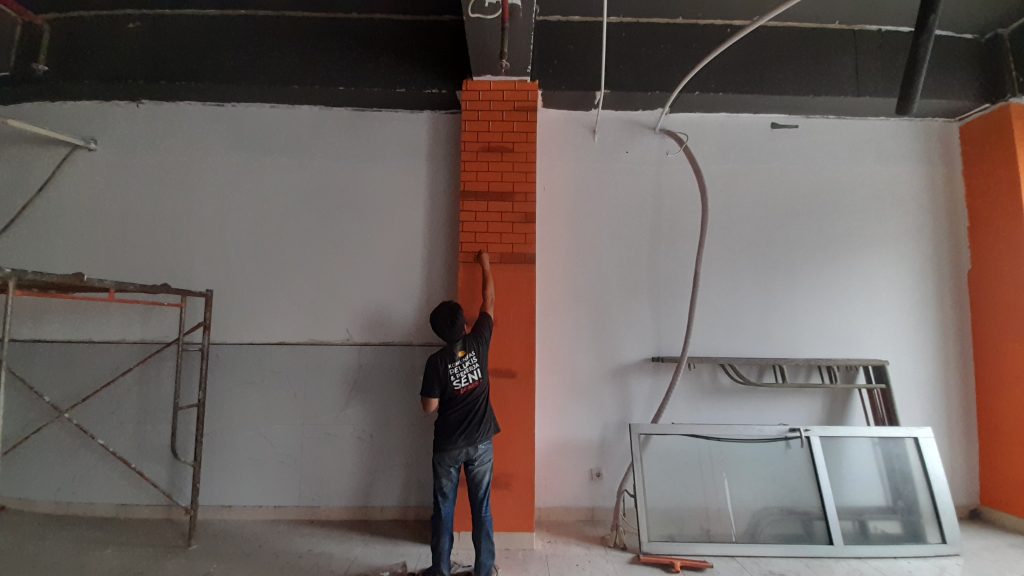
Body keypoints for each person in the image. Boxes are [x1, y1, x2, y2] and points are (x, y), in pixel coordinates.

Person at [419, 250, 499, 576]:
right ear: (465, 323)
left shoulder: (436, 362)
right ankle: (484, 570)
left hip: (448, 446)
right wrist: (485, 263)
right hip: (481, 443)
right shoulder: (479, 341)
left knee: (443, 511)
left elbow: (429, 407)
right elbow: (489, 299)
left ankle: (440, 570)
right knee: (482, 509)